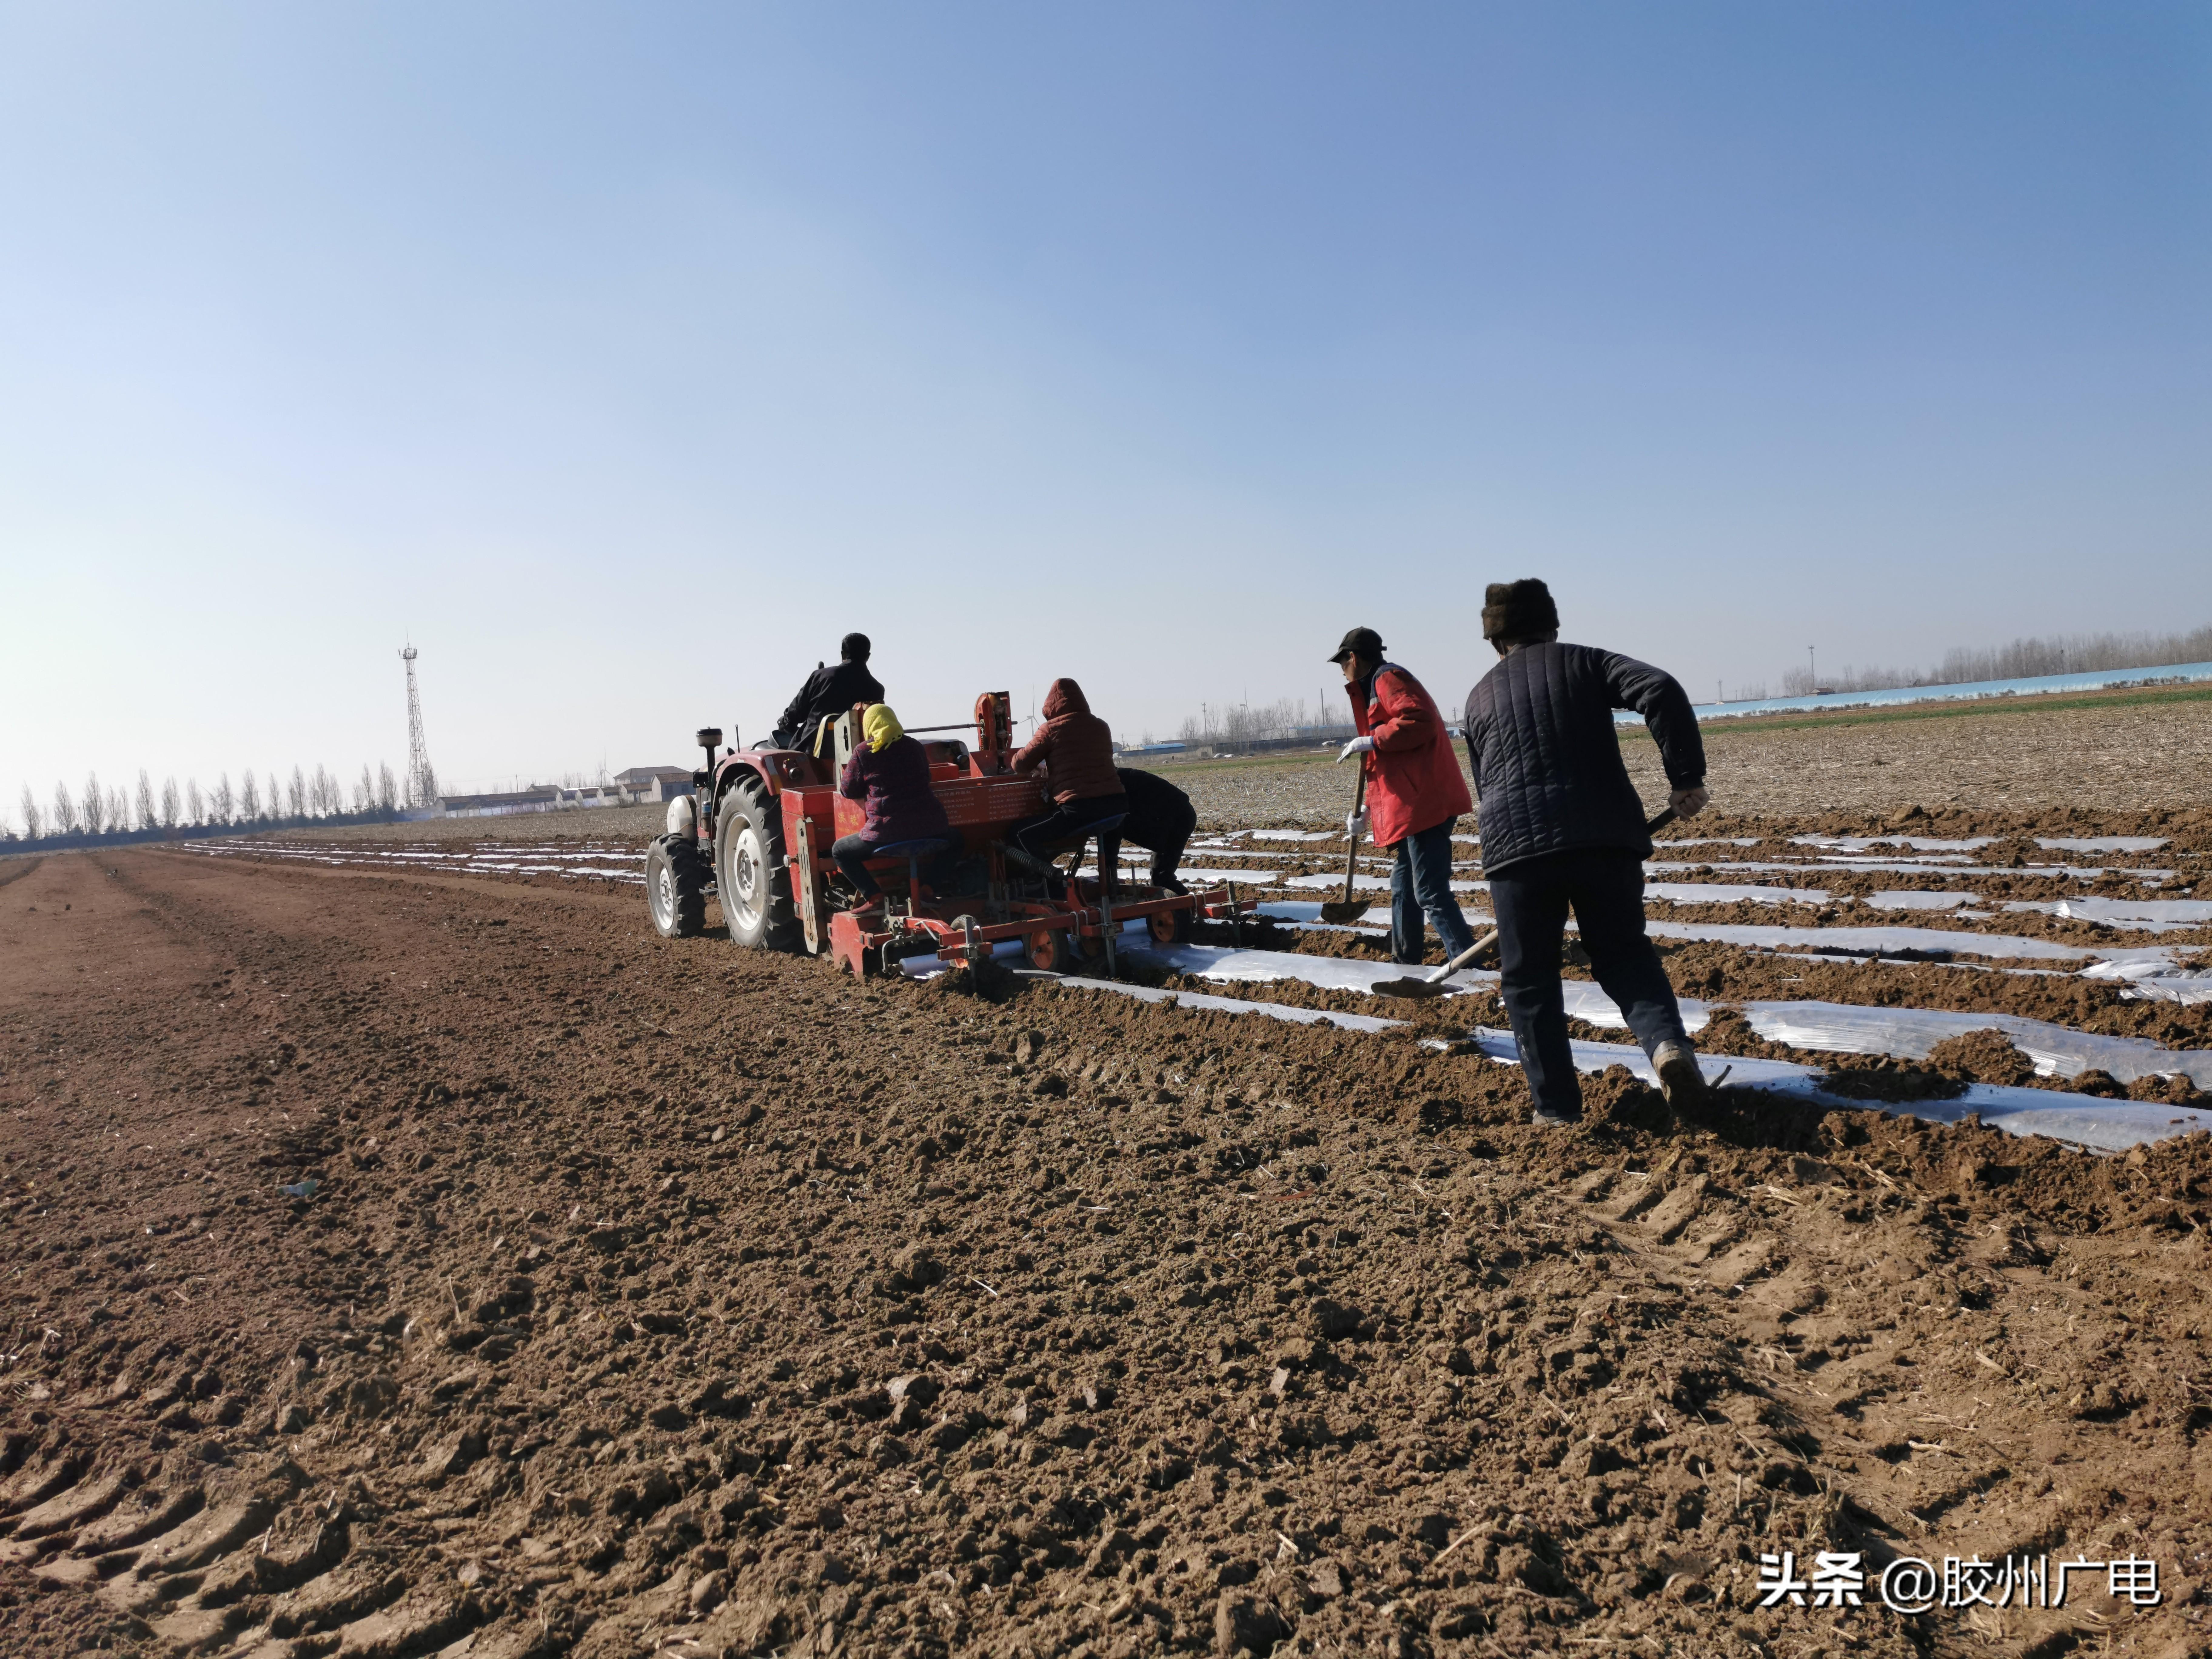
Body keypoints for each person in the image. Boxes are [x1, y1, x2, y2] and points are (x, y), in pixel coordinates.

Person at [1460, 578, 1711, 1125]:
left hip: (1516, 853)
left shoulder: (1477, 697)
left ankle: (1555, 1112)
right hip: (1603, 837)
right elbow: (1660, 688)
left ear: (1494, 640)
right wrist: (1685, 777)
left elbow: (1486, 787)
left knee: (1529, 981)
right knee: (1623, 953)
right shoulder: (1585, 662)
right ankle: (1668, 1048)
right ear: (1552, 625)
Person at [1331, 626, 1479, 969]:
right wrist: (1368, 809)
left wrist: (1373, 739)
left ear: (1353, 658)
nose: (1341, 671)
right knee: (1403, 889)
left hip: (1425, 803)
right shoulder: (1374, 689)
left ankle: (1471, 967)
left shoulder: (1388, 678)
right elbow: (1392, 762)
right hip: (1410, 804)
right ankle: (1406, 963)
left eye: (1342, 662)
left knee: (1428, 891)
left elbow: (1420, 720)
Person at [831, 704, 956, 915]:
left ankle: (875, 897)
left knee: (840, 851)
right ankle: (928, 889)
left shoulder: (864, 751)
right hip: (931, 828)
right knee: (957, 840)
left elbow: (847, 790)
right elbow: (927, 778)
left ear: (869, 726)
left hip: (886, 834)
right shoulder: (915, 747)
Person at [1006, 678, 1125, 879]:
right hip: (1117, 806)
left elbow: (1020, 765)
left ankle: (1052, 887)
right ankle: (1108, 880)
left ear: (1051, 705)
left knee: (1020, 833)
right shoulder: (1101, 726)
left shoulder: (1050, 729)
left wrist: (1038, 764)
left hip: (1081, 809)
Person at [773, 633, 885, 757]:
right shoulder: (877, 689)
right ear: (868, 656)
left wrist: (785, 722)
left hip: (811, 750)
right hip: (857, 754)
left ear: (843, 654)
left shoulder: (822, 676)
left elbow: (796, 712)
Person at [1101, 766, 1198, 893]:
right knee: (1159, 879)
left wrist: (1108, 870)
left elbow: (1113, 832)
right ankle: (1178, 907)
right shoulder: (1114, 780)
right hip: (1166, 816)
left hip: (1179, 818)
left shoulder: (1114, 788)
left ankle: (1189, 909)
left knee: (1162, 879)